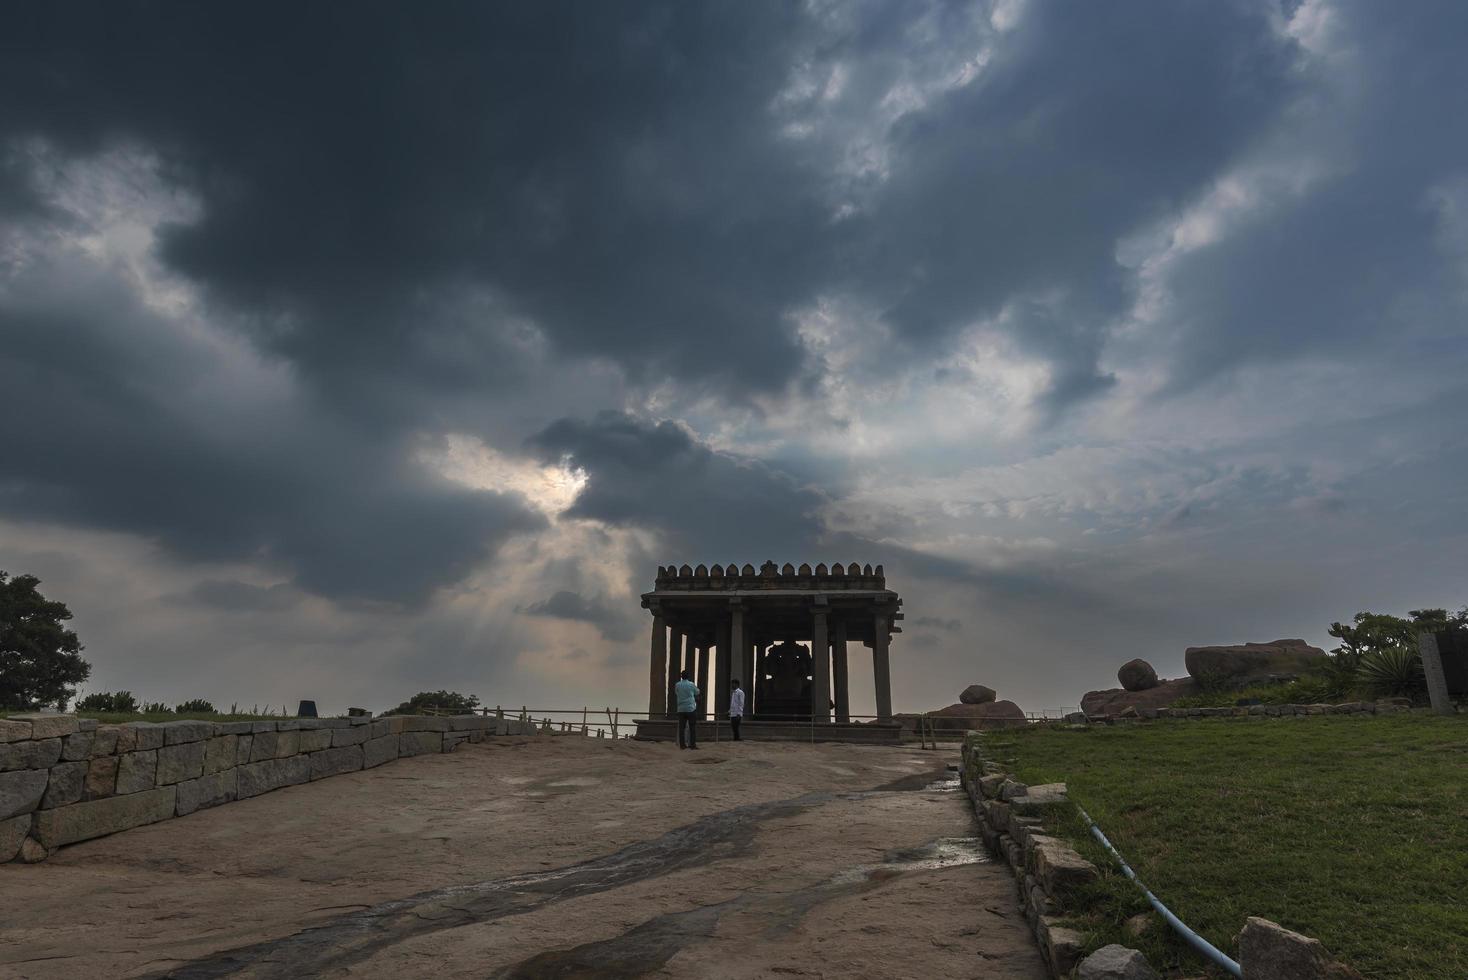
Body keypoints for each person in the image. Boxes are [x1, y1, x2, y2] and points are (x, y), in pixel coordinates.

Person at [674, 669, 699, 750]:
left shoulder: (677, 684)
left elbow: (676, 693)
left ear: (681, 676)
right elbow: (697, 692)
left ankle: (682, 745)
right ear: (688, 676)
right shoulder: (691, 684)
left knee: (682, 728)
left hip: (681, 708)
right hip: (691, 708)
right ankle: (692, 745)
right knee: (692, 727)